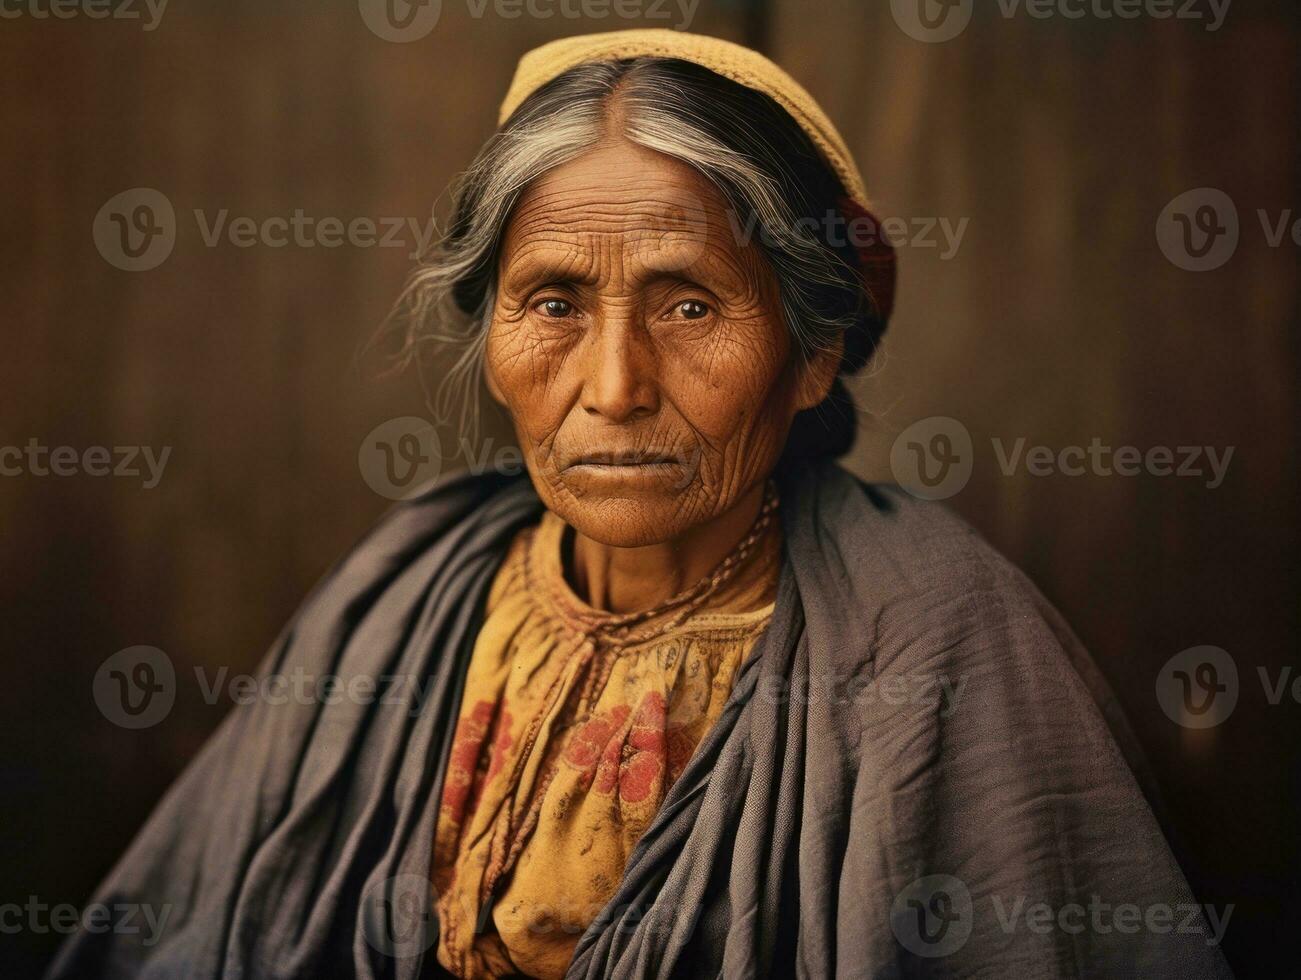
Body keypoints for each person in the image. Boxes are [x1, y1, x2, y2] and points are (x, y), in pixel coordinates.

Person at [49, 29, 1233, 980]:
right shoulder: (405, 589)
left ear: (811, 351)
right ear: (492, 331)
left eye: (688, 306)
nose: (611, 389)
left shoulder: (931, 636)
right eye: (553, 302)